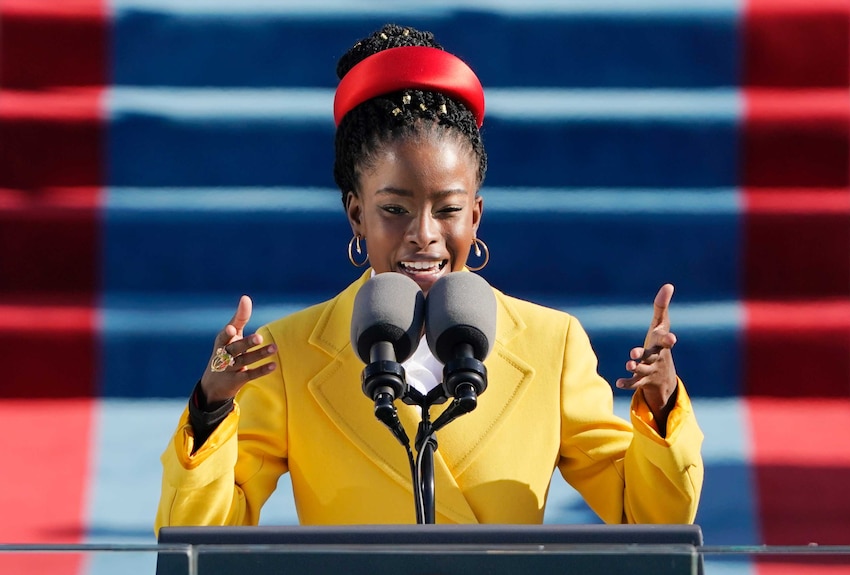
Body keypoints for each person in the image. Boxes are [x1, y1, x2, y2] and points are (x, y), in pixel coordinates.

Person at [155, 23, 703, 530]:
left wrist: (661, 406)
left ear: (476, 216)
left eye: (447, 209)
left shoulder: (550, 345)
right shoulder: (289, 353)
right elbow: (200, 542)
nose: (424, 234)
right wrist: (211, 407)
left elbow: (650, 519)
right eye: (394, 210)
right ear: (357, 216)